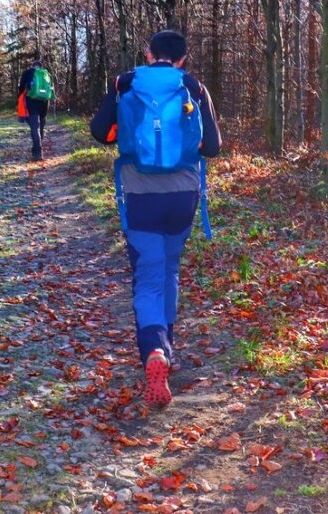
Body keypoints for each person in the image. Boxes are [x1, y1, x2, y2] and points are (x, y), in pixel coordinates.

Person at [90, 30, 221, 407]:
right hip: (183, 194)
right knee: (170, 269)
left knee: (148, 275)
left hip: (140, 194)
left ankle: (155, 351)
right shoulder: (193, 87)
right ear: (182, 58)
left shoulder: (126, 84)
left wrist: (118, 102)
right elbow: (212, 147)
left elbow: (101, 133)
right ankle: (168, 347)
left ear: (148, 54)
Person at [17, 61, 53, 161]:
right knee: (41, 126)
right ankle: (36, 150)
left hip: (31, 102)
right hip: (44, 103)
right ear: (41, 67)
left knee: (34, 127)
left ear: (32, 66)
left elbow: (21, 89)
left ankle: (38, 152)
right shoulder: (46, 74)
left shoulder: (28, 72)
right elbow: (51, 90)